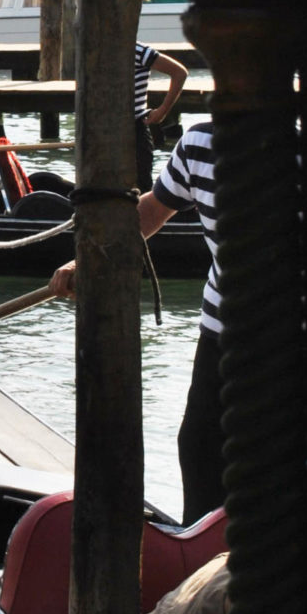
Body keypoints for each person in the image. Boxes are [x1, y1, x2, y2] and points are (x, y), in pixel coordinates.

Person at [49, 115, 221, 524]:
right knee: (199, 446)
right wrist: (86, 259)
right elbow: (155, 208)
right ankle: (201, 561)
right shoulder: (199, 143)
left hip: (299, 330)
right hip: (222, 329)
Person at [134, 41, 188, 190]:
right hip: (102, 129)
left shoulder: (138, 50)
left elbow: (179, 72)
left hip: (135, 128)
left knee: (141, 185)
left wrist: (162, 111)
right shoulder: (94, 51)